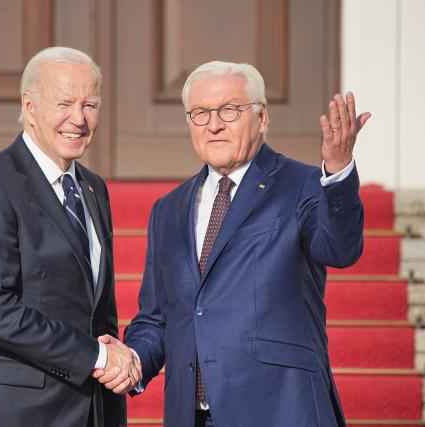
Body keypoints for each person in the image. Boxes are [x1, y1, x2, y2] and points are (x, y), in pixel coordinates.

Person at [119, 61, 371, 426]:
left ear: (262, 118)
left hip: (281, 409)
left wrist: (338, 170)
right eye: (201, 113)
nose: (215, 124)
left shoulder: (301, 185)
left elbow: (341, 249)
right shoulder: (168, 210)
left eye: (230, 110)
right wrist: (134, 360)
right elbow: (157, 319)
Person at [0, 47, 139, 427]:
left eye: (90, 104)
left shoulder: (93, 188)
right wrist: (97, 358)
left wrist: (115, 363)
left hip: (91, 409)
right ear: (29, 106)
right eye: (64, 103)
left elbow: (98, 308)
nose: (79, 119)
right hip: (15, 411)